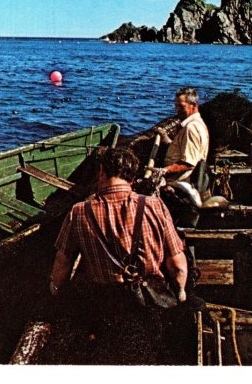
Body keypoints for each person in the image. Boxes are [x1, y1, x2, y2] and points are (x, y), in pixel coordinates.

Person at [48, 146, 188, 364]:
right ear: (132, 177)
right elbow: (178, 265)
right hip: (150, 302)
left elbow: (62, 263)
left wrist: (55, 290)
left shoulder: (79, 211)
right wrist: (179, 293)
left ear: (102, 172)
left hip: (104, 306)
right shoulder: (154, 206)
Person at [154, 86, 211, 227]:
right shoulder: (197, 124)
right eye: (176, 106)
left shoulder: (191, 128)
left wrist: (164, 170)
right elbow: (185, 150)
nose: (177, 110)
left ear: (194, 106)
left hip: (183, 185)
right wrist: (167, 140)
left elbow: (189, 163)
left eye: (181, 106)